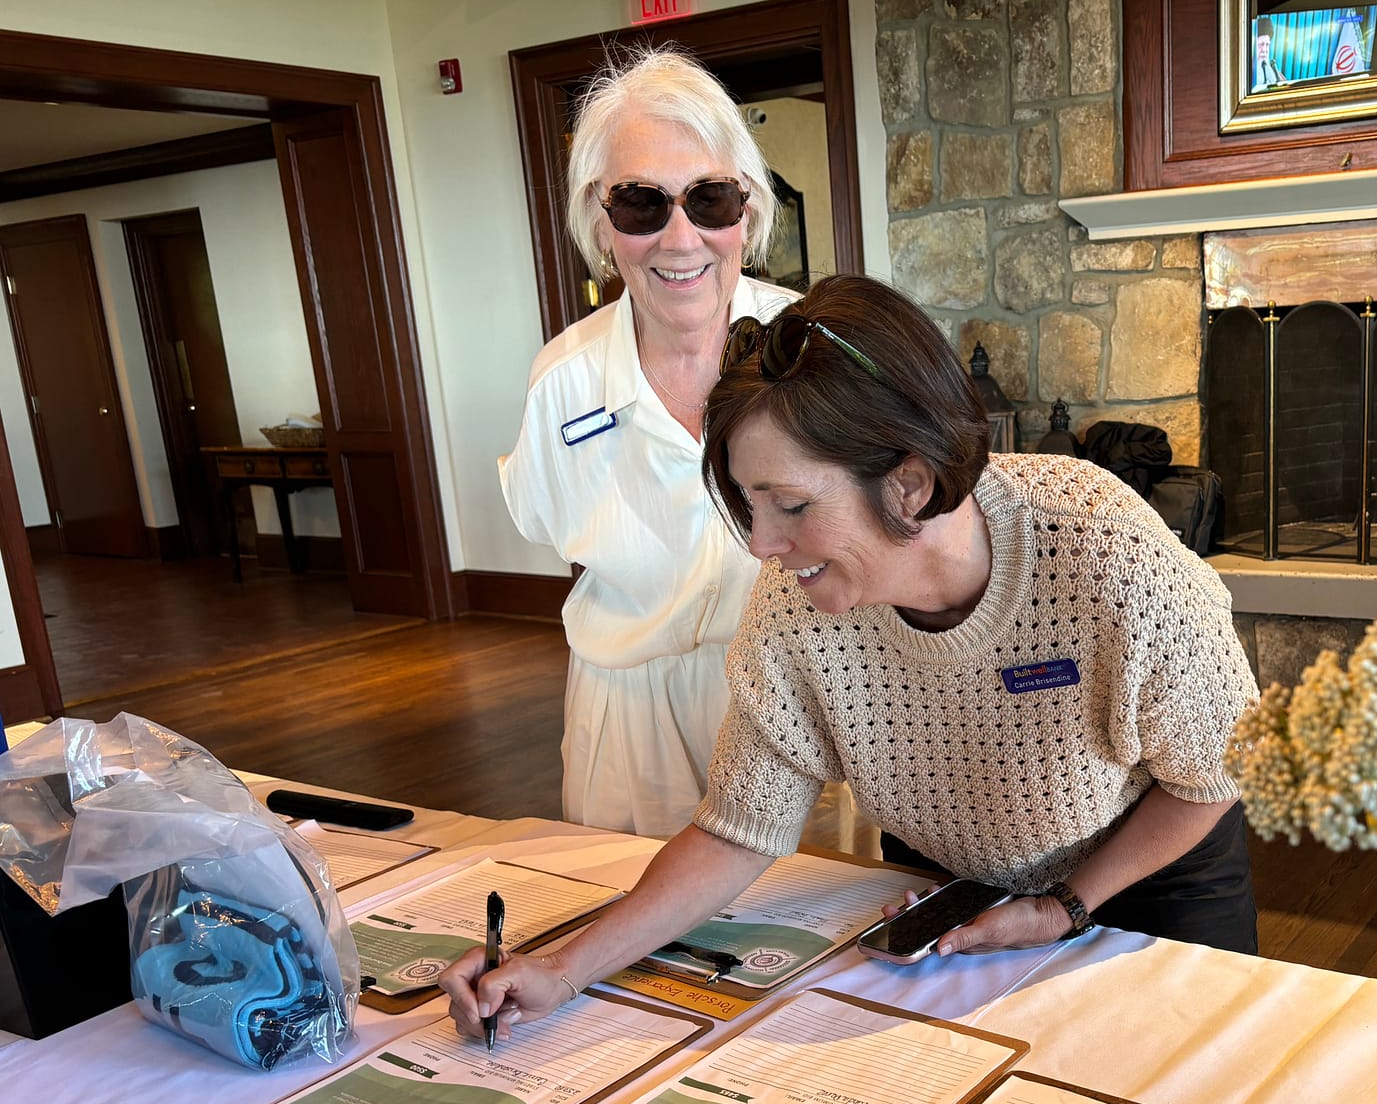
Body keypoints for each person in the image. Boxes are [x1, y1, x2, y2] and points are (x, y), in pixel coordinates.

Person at [443, 275, 1259, 1040]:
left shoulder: (1105, 555)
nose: (762, 545)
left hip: (1151, 876)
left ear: (909, 482)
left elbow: (1216, 774)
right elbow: (736, 830)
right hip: (951, 881)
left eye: (791, 505)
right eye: (750, 505)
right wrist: (560, 968)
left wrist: (1066, 906)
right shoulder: (794, 609)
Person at [500, 48, 857, 842]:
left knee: (818, 930)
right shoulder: (563, 383)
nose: (679, 237)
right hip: (628, 718)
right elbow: (545, 519)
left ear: (749, 208)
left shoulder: (823, 350)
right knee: (634, 939)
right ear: (600, 219)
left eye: (709, 199)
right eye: (640, 204)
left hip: (805, 693)